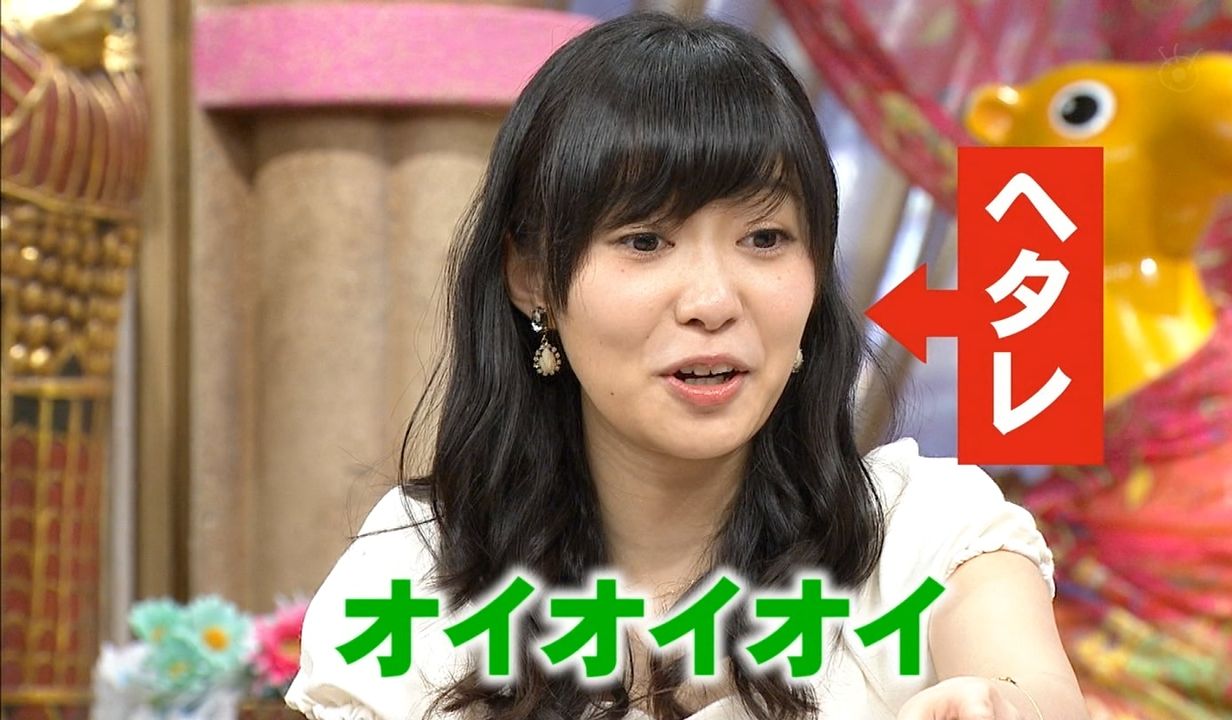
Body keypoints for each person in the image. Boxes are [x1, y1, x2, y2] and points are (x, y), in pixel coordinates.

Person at [284, 12, 1087, 720]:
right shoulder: (415, 571)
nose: (712, 301)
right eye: (645, 241)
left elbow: (1024, 683)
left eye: (765, 239)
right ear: (532, 277)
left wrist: (999, 703)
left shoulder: (924, 533)